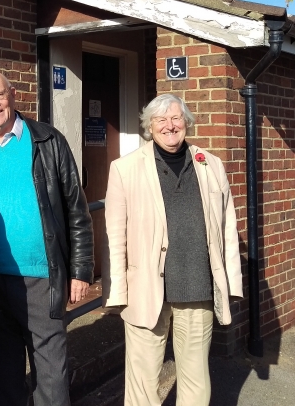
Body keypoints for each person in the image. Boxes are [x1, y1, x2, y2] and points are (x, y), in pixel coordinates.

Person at [0, 70, 94, 406]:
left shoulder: (47, 140)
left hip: (41, 277)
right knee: (3, 373)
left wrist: (81, 268)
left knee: (50, 373)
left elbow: (75, 206)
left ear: (13, 94)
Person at [102, 93, 243, 406]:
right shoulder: (125, 169)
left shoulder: (211, 165)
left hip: (197, 287)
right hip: (145, 290)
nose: (169, 125)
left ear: (187, 123)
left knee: (195, 378)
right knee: (142, 382)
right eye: (160, 120)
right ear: (149, 126)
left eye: (176, 118)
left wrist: (230, 284)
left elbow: (226, 230)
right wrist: (116, 292)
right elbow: (115, 236)